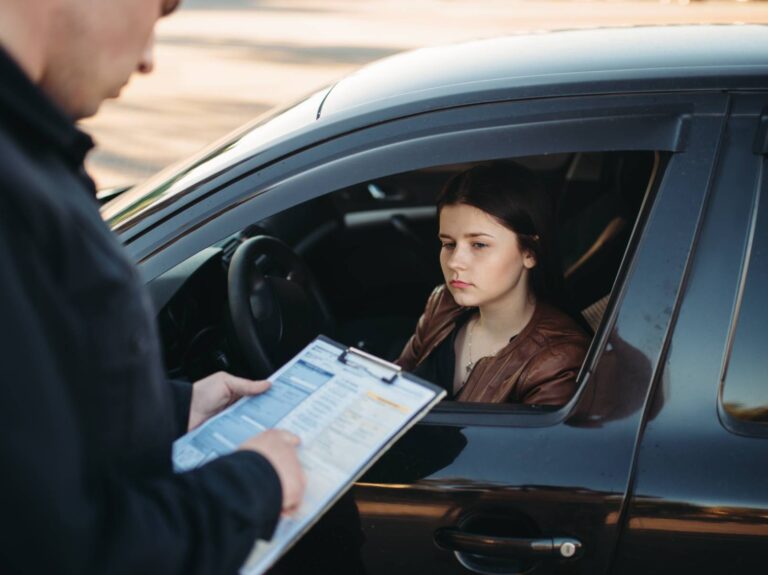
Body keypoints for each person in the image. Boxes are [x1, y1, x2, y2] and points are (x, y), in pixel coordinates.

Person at [0, 1, 304, 574]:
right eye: (161, 7)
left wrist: (178, 406)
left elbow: (47, 401)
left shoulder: (29, 155)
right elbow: (58, 548)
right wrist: (252, 484)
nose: (147, 60)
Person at [397, 163, 590, 405]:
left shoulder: (557, 360)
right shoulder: (443, 303)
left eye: (479, 245)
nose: (455, 262)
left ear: (529, 253)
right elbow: (394, 385)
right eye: (449, 244)